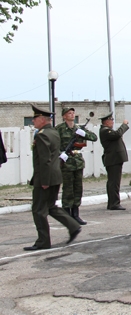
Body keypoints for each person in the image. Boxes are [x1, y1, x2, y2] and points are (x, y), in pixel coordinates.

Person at [25, 105, 81, 251]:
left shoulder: (42, 135)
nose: (33, 121)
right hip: (55, 176)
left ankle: (43, 241)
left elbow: (45, 160)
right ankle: (73, 226)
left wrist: (44, 181)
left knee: (39, 210)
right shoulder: (54, 132)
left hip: (46, 178)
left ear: (42, 119)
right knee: (50, 207)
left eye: (35, 118)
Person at [56, 107, 97, 226]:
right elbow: (53, 144)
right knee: (68, 189)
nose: (72, 115)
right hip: (66, 162)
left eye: (73, 113)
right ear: (64, 116)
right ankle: (67, 215)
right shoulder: (59, 129)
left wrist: (84, 134)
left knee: (78, 188)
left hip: (77, 161)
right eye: (69, 113)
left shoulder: (78, 128)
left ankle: (75, 214)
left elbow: (94, 137)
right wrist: (60, 154)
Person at [98, 112, 129, 210]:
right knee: (114, 182)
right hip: (113, 159)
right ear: (106, 121)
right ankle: (114, 203)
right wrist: (124, 125)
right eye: (111, 120)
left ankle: (112, 202)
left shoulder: (107, 130)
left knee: (114, 182)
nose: (112, 122)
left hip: (114, 159)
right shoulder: (105, 131)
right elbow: (117, 134)